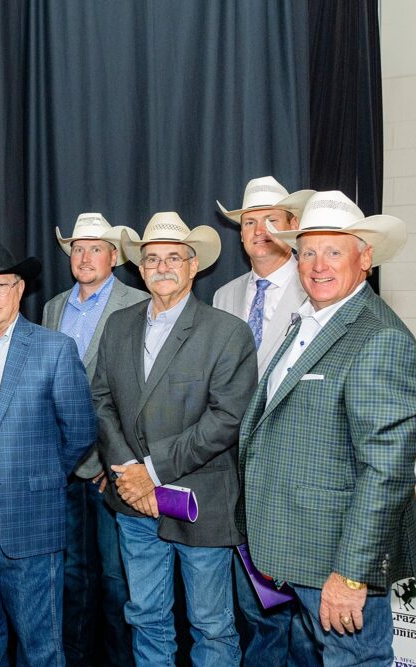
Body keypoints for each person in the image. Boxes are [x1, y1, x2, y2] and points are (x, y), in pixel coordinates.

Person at [239, 190, 416, 666]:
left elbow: (385, 473)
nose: (317, 264)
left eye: (334, 251)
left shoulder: (378, 337)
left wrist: (350, 576)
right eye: (307, 252)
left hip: (337, 566)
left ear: (365, 258)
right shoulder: (311, 321)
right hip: (295, 555)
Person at [93, 211, 256, 667]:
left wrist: (150, 472)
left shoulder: (227, 333)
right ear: (139, 268)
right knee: (145, 615)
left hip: (199, 502)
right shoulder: (119, 325)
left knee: (211, 624)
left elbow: (226, 419)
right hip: (133, 504)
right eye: (151, 259)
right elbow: (100, 402)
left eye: (173, 258)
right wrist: (128, 473)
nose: (161, 267)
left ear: (193, 265)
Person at [0, 238, 95, 666]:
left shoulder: (53, 349)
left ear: (19, 290)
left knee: (40, 643)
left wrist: (36, 478)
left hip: (28, 511)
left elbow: (81, 432)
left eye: (2, 286)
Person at [212, 176, 317, 665]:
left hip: (300, 468)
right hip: (237, 469)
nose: (258, 230)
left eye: (271, 219)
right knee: (257, 606)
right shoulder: (226, 297)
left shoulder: (318, 284)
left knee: (306, 610)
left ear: (292, 227)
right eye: (249, 222)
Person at [42, 212, 147, 666]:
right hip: (63, 466)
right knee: (70, 574)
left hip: (111, 468)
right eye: (77, 249)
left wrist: (117, 460)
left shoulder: (138, 302)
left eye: (96, 248)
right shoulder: (52, 307)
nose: (84, 257)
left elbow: (139, 391)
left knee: (117, 577)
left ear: (114, 256)